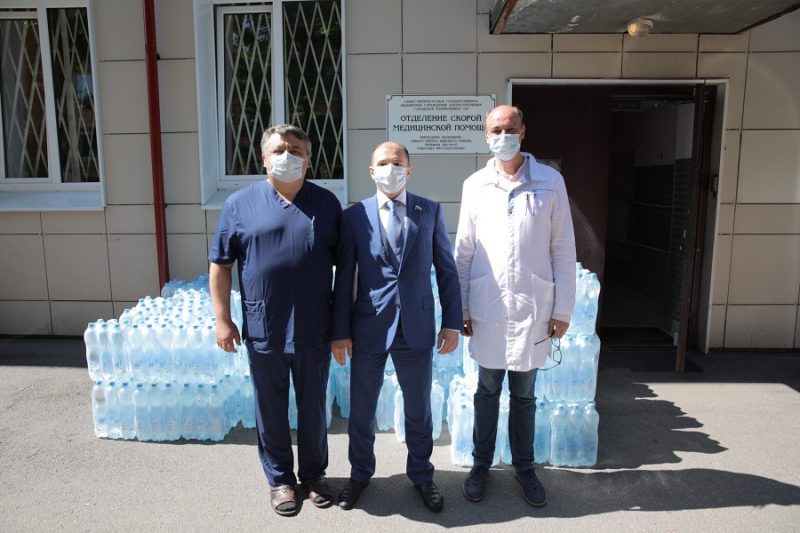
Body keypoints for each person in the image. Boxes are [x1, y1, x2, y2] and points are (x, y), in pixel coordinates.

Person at [208, 124, 341, 517]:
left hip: (314, 327)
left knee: (314, 407)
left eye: (296, 150)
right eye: (279, 150)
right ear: (264, 159)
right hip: (264, 326)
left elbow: (347, 266)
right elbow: (220, 265)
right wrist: (223, 320)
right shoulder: (239, 205)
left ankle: (314, 476)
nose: (287, 156)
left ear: (308, 159)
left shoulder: (326, 203)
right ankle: (280, 479)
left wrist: (342, 327)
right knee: (270, 408)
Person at [454, 105, 576, 507]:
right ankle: (481, 465)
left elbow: (563, 249)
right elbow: (464, 252)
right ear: (486, 136)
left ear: (523, 131)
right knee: (486, 391)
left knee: (524, 395)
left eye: (509, 128)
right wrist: (461, 309)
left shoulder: (550, 182)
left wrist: (562, 309)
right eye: (495, 130)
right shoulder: (475, 184)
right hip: (487, 306)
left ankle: (525, 467)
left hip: (533, 308)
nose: (502, 135)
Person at [331, 141, 462, 512]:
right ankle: (359, 474)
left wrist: (452, 323)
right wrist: (339, 331)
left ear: (409, 169)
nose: (391, 169)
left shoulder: (429, 211)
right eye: (383, 163)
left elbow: (447, 270)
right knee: (361, 410)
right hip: (368, 326)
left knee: (418, 409)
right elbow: (345, 278)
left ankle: (422, 475)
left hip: (416, 326)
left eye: (398, 162)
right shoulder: (354, 216)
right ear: (372, 171)